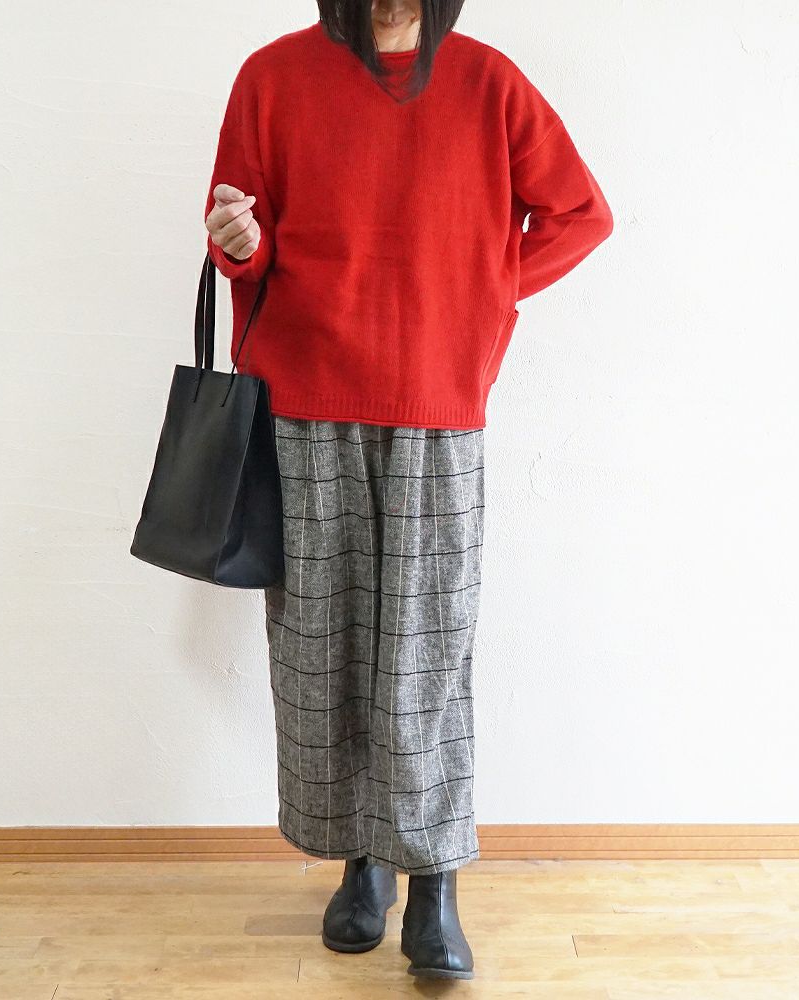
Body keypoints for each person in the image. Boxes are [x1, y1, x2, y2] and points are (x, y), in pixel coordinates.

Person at [203, 0, 613, 981]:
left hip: (437, 406)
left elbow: (580, 214)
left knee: (426, 652)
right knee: (322, 649)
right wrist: (237, 238)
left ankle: (433, 877)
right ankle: (362, 862)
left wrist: (482, 286)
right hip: (304, 400)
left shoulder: (489, 83)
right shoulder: (272, 77)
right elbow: (241, 240)